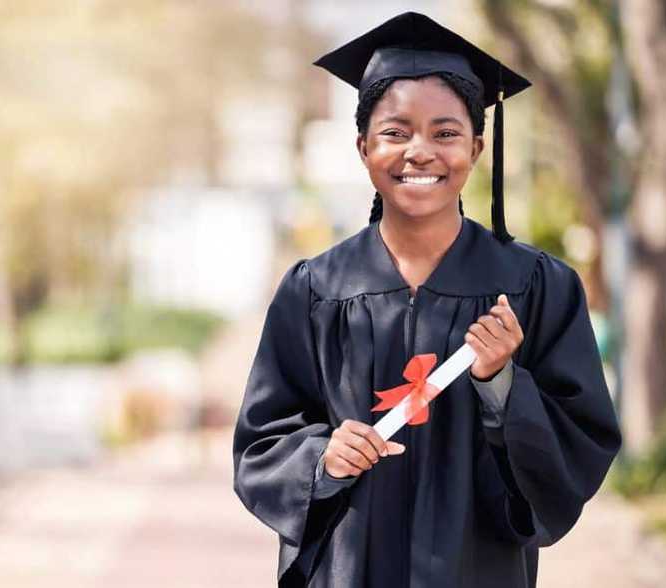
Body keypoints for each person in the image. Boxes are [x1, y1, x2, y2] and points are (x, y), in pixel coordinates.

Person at [232, 12, 621, 588]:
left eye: (445, 133)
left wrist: (502, 384)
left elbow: (580, 442)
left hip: (478, 567)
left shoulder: (538, 287)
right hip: (347, 568)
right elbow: (262, 440)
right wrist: (321, 458)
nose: (420, 152)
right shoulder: (315, 289)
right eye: (395, 132)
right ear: (363, 147)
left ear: (477, 148)